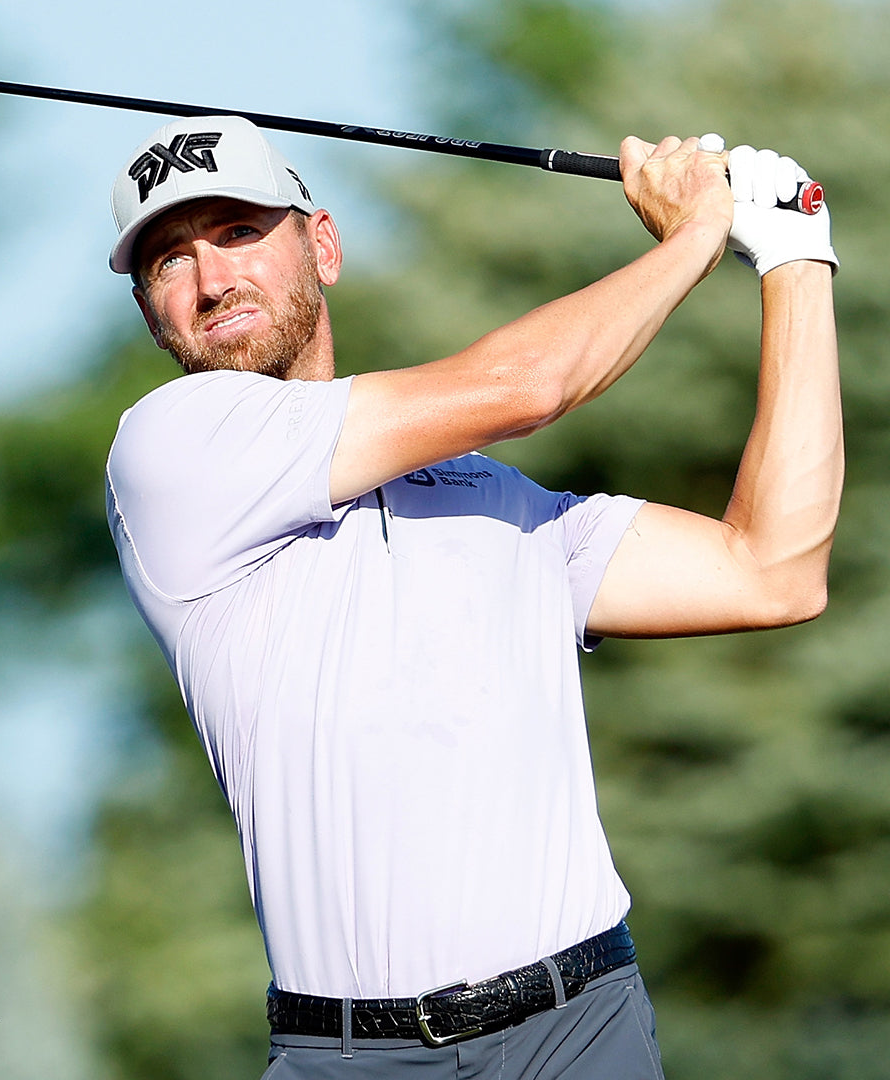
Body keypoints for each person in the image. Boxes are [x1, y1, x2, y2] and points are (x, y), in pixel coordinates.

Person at [104, 115, 841, 1079]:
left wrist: (793, 259)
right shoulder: (169, 454)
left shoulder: (498, 504)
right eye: (168, 259)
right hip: (348, 1056)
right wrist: (700, 231)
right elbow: (529, 384)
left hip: (582, 1031)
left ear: (322, 244)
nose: (208, 280)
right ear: (148, 308)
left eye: (239, 234)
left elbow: (772, 569)